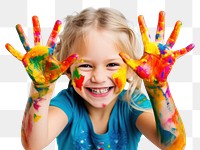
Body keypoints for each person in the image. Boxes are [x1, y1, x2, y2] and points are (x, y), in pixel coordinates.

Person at [5, 7, 194, 150]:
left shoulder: (132, 104)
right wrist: (41, 89)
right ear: (68, 71)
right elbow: (33, 145)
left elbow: (173, 145)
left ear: (130, 69)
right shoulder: (67, 104)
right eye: (86, 65)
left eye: (112, 65)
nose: (99, 77)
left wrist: (157, 88)